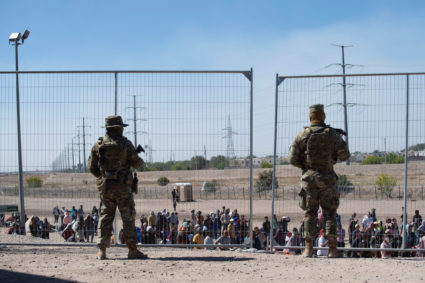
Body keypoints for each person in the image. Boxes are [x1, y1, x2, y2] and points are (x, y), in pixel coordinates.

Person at [288, 104, 350, 257]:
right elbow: (345, 155)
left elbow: (292, 159)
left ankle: (308, 249)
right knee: (329, 213)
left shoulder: (302, 135)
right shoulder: (332, 135)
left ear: (310, 117)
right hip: (328, 179)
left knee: (310, 213)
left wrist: (306, 166)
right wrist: (332, 158)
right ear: (323, 116)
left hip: (309, 180)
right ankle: (333, 249)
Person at [88, 115, 147, 260]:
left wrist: (103, 177)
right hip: (123, 188)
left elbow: (91, 167)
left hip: (106, 189)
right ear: (119, 128)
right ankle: (132, 250)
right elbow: (137, 163)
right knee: (128, 218)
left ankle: (102, 251)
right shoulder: (125, 144)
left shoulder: (98, 144)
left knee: (105, 217)